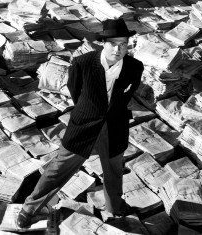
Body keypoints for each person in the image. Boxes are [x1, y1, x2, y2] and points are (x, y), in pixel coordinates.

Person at [17, 18, 144, 228]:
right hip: (84, 125)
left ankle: (115, 207)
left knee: (113, 170)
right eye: (113, 43)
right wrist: (89, 111)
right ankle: (29, 209)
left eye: (123, 44)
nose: (118, 49)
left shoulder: (134, 67)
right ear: (104, 43)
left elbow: (128, 93)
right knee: (59, 168)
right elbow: (75, 91)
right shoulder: (83, 63)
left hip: (115, 126)